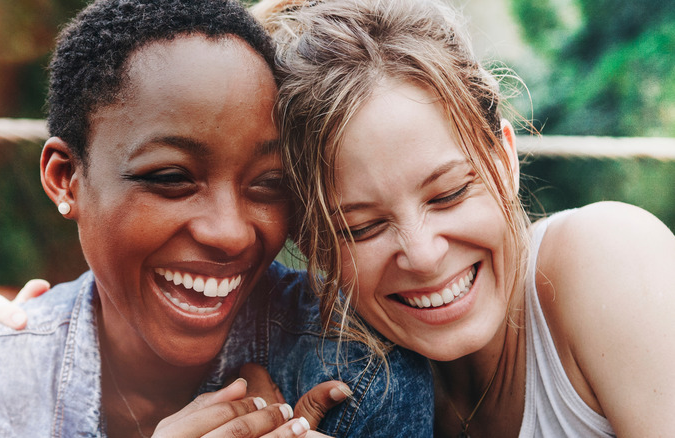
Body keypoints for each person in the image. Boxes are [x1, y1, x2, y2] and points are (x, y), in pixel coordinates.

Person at [0, 0, 434, 437]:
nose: (230, 232)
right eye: (171, 178)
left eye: (268, 184)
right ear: (66, 178)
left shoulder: (359, 372)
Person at [261, 0, 675, 436]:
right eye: (363, 228)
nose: (422, 255)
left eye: (449, 194)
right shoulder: (347, 389)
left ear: (504, 159)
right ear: (312, 246)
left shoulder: (611, 256)